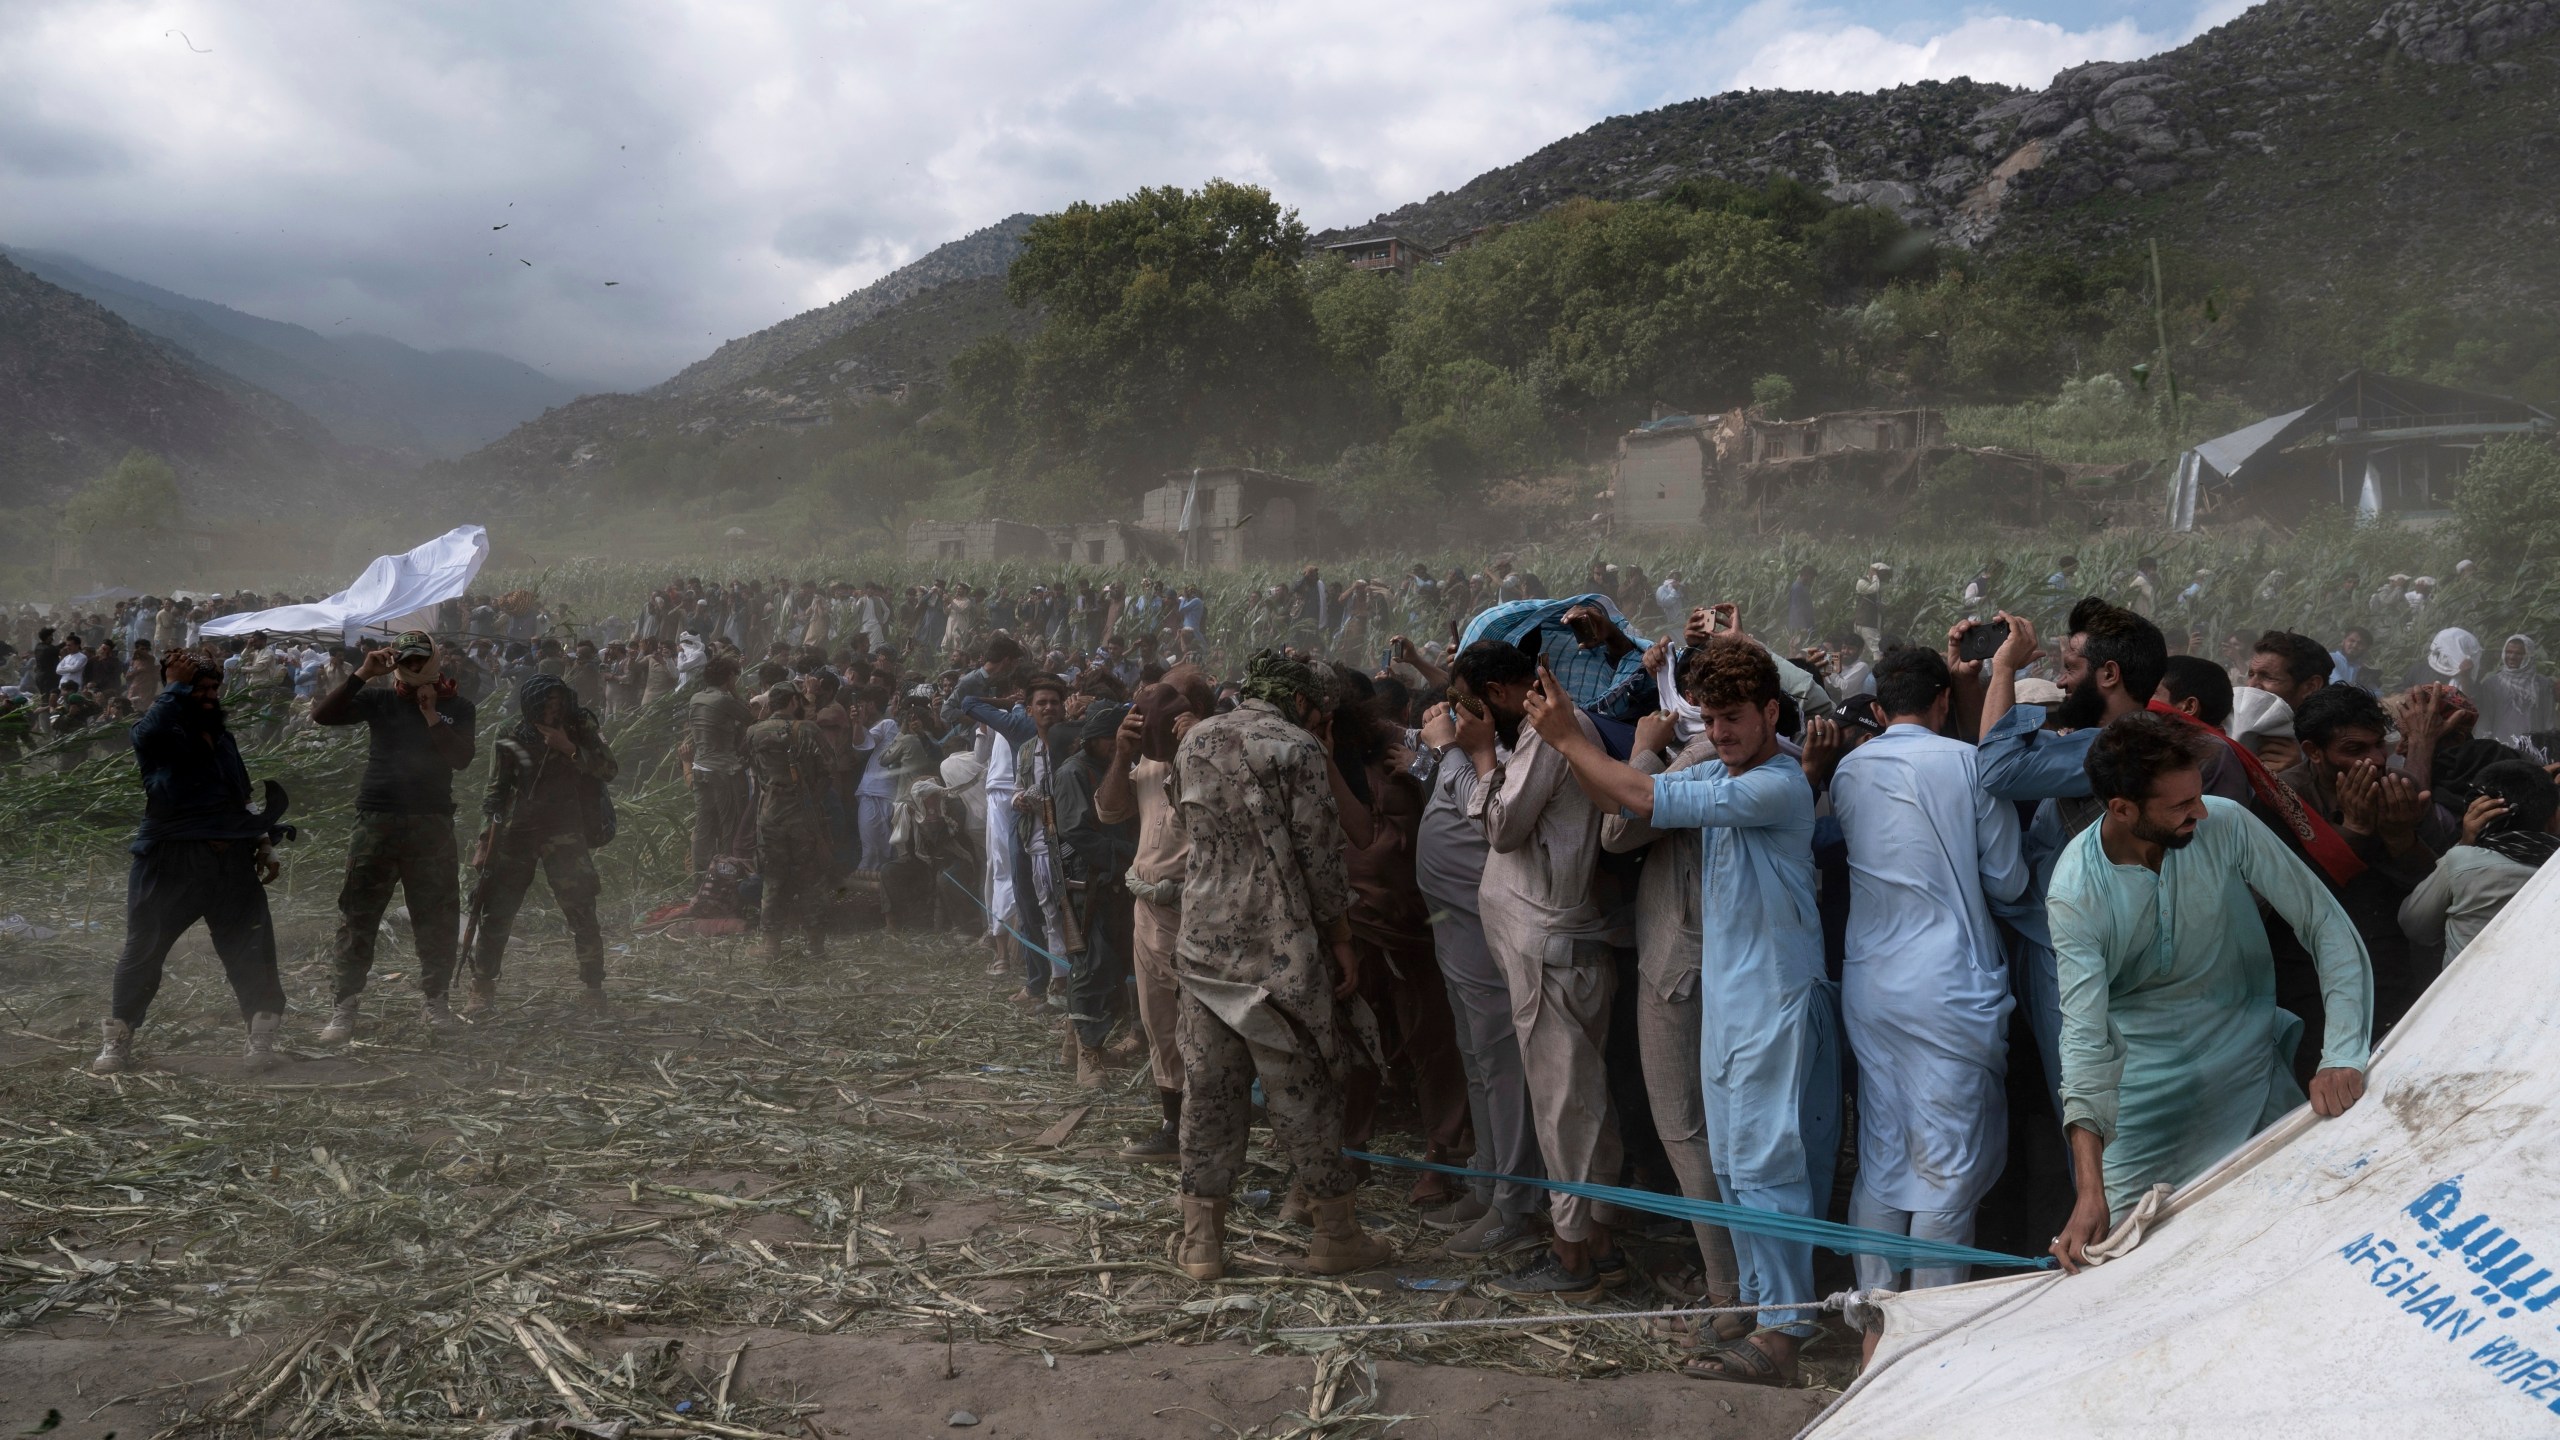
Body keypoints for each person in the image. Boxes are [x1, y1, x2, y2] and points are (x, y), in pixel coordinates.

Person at [1523, 635, 1836, 1386]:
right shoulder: (1735, 772)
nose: (1721, 733)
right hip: (1731, 1004)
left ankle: (1785, 1335)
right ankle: (1760, 1317)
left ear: (1770, 712)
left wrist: (1571, 737)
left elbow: (1642, 796)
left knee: (1768, 1169)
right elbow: (1620, 801)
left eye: (1734, 718)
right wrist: (1576, 745)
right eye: (1710, 719)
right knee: (1732, 1166)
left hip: (1774, 1007)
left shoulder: (1776, 785)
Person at [2047, 713, 2372, 1272]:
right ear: (2121, 809)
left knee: (2308, 1237)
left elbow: (2325, 924)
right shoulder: (2076, 891)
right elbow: (2084, 1042)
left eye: (2197, 796)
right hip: (2142, 1101)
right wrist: (2089, 1190)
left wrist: (2342, 1052)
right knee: (2123, 1268)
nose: (2199, 811)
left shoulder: (2224, 823)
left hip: (2251, 1069)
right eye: (2179, 806)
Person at [1166, 651, 1392, 1282]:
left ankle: (1202, 1243)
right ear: (1306, 704)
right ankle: (1334, 1235)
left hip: (1202, 943)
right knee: (1301, 1089)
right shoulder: (1296, 749)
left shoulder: (1197, 738)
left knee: (1209, 1088)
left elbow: (1185, 822)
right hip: (1279, 949)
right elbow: (1321, 859)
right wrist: (1341, 938)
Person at [1829, 647, 2027, 1305]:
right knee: (1948, 1166)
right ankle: (1928, 1327)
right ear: (1944, 700)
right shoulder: (1969, 764)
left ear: (1880, 708)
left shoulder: (1849, 771)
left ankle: (1874, 1313)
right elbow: (2007, 879)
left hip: (1873, 986)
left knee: (1885, 1156)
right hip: (1949, 985)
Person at [1449, 638, 1630, 1301]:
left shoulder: (1548, 735)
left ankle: (1571, 1256)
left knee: (1565, 1109)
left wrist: (1476, 755)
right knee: (1578, 1102)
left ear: (1498, 692)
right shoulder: (1540, 731)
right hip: (1547, 948)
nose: (1469, 715)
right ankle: (1597, 1241)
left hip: (1552, 950)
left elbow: (1502, 825)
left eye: (1474, 702)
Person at [1597, 709, 1745, 1332]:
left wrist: (1643, 749)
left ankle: (1727, 1296)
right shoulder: (1779, 757)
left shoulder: (1706, 756)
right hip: (1729, 962)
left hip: (1680, 963)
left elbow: (1616, 831)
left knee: (1685, 1128)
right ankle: (1748, 1284)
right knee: (1734, 1130)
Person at [92, 648, 290, 1076]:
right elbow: (146, 735)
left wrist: (263, 843)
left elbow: (241, 794)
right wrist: (175, 687)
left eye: (213, 688)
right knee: (143, 951)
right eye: (198, 688)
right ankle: (118, 1041)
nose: (207, 695)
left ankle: (260, 1039)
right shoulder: (157, 731)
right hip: (170, 861)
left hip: (230, 863)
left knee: (252, 950)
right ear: (176, 690)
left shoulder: (221, 737)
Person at [312, 631, 478, 1040]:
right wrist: (362, 674)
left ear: (434, 659)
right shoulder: (380, 699)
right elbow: (324, 716)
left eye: (421, 659)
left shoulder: (457, 706)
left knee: (436, 916)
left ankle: (435, 1001)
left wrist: (432, 715)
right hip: (377, 819)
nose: (414, 666)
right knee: (359, 914)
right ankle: (344, 1006)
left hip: (432, 822)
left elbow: (461, 759)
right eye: (407, 659)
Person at [1094, 672, 1213, 1159]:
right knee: (1160, 1021)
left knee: (1204, 1025)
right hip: (1150, 907)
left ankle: (1214, 1127)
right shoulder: (1144, 759)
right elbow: (1108, 812)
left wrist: (1201, 740)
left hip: (1202, 911)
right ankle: (1173, 1123)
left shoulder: (1215, 751)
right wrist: (1123, 753)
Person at [467, 673, 619, 1016]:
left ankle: (593, 987)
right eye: (546, 704)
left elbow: (609, 768)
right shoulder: (510, 732)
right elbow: (496, 788)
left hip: (565, 829)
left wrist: (569, 747)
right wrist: (483, 841)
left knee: (581, 908)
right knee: (496, 911)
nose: (553, 710)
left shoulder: (579, 726)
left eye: (558, 703)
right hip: (518, 831)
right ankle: (482, 985)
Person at [1052, 702, 1138, 1087]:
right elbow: (1076, 832)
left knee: (1111, 965)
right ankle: (1089, 1054)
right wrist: (1124, 859)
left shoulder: (1116, 770)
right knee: (1093, 966)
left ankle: (1077, 1043)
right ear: (1095, 740)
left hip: (1118, 882)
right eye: (1110, 740)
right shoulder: (1074, 772)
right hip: (1089, 883)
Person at [2398, 759, 2558, 961]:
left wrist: (2465, 842)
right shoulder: (2553, 865)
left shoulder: (2462, 861)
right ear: (2553, 818)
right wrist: (2541, 792)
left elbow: (2416, 927)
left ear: (2476, 813)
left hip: (2468, 991)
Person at [745, 682, 833, 960]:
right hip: (802, 815)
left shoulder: (753, 732)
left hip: (769, 813)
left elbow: (752, 770)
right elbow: (829, 767)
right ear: (794, 701)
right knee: (810, 879)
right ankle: (815, 946)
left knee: (773, 879)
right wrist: (813, 797)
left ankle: (771, 946)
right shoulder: (807, 729)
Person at [685, 655, 752, 878]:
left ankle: (701, 876)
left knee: (703, 824)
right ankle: (724, 880)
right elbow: (751, 718)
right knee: (728, 825)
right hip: (723, 770)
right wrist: (734, 691)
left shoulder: (696, 698)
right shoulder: (724, 700)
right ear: (730, 677)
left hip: (700, 768)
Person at [2473, 635, 2553, 749]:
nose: (2512, 657)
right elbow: (2485, 721)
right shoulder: (2492, 684)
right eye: (2508, 652)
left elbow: (2549, 721)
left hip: (2536, 749)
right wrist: (2485, 748)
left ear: (2529, 656)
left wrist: (2551, 748)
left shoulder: (2542, 684)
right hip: (2502, 749)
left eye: (2519, 653)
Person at [2244, 630, 2332, 711]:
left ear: (2310, 687)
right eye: (2251, 675)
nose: (2250, 686)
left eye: (2268, 677)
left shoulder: (2334, 727)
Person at [2329, 628, 2377, 694]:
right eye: (2351, 641)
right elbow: (2338, 684)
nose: (2354, 646)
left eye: (2360, 643)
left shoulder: (2363, 670)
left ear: (2366, 649)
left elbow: (2377, 693)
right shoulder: (2329, 658)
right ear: (2343, 641)